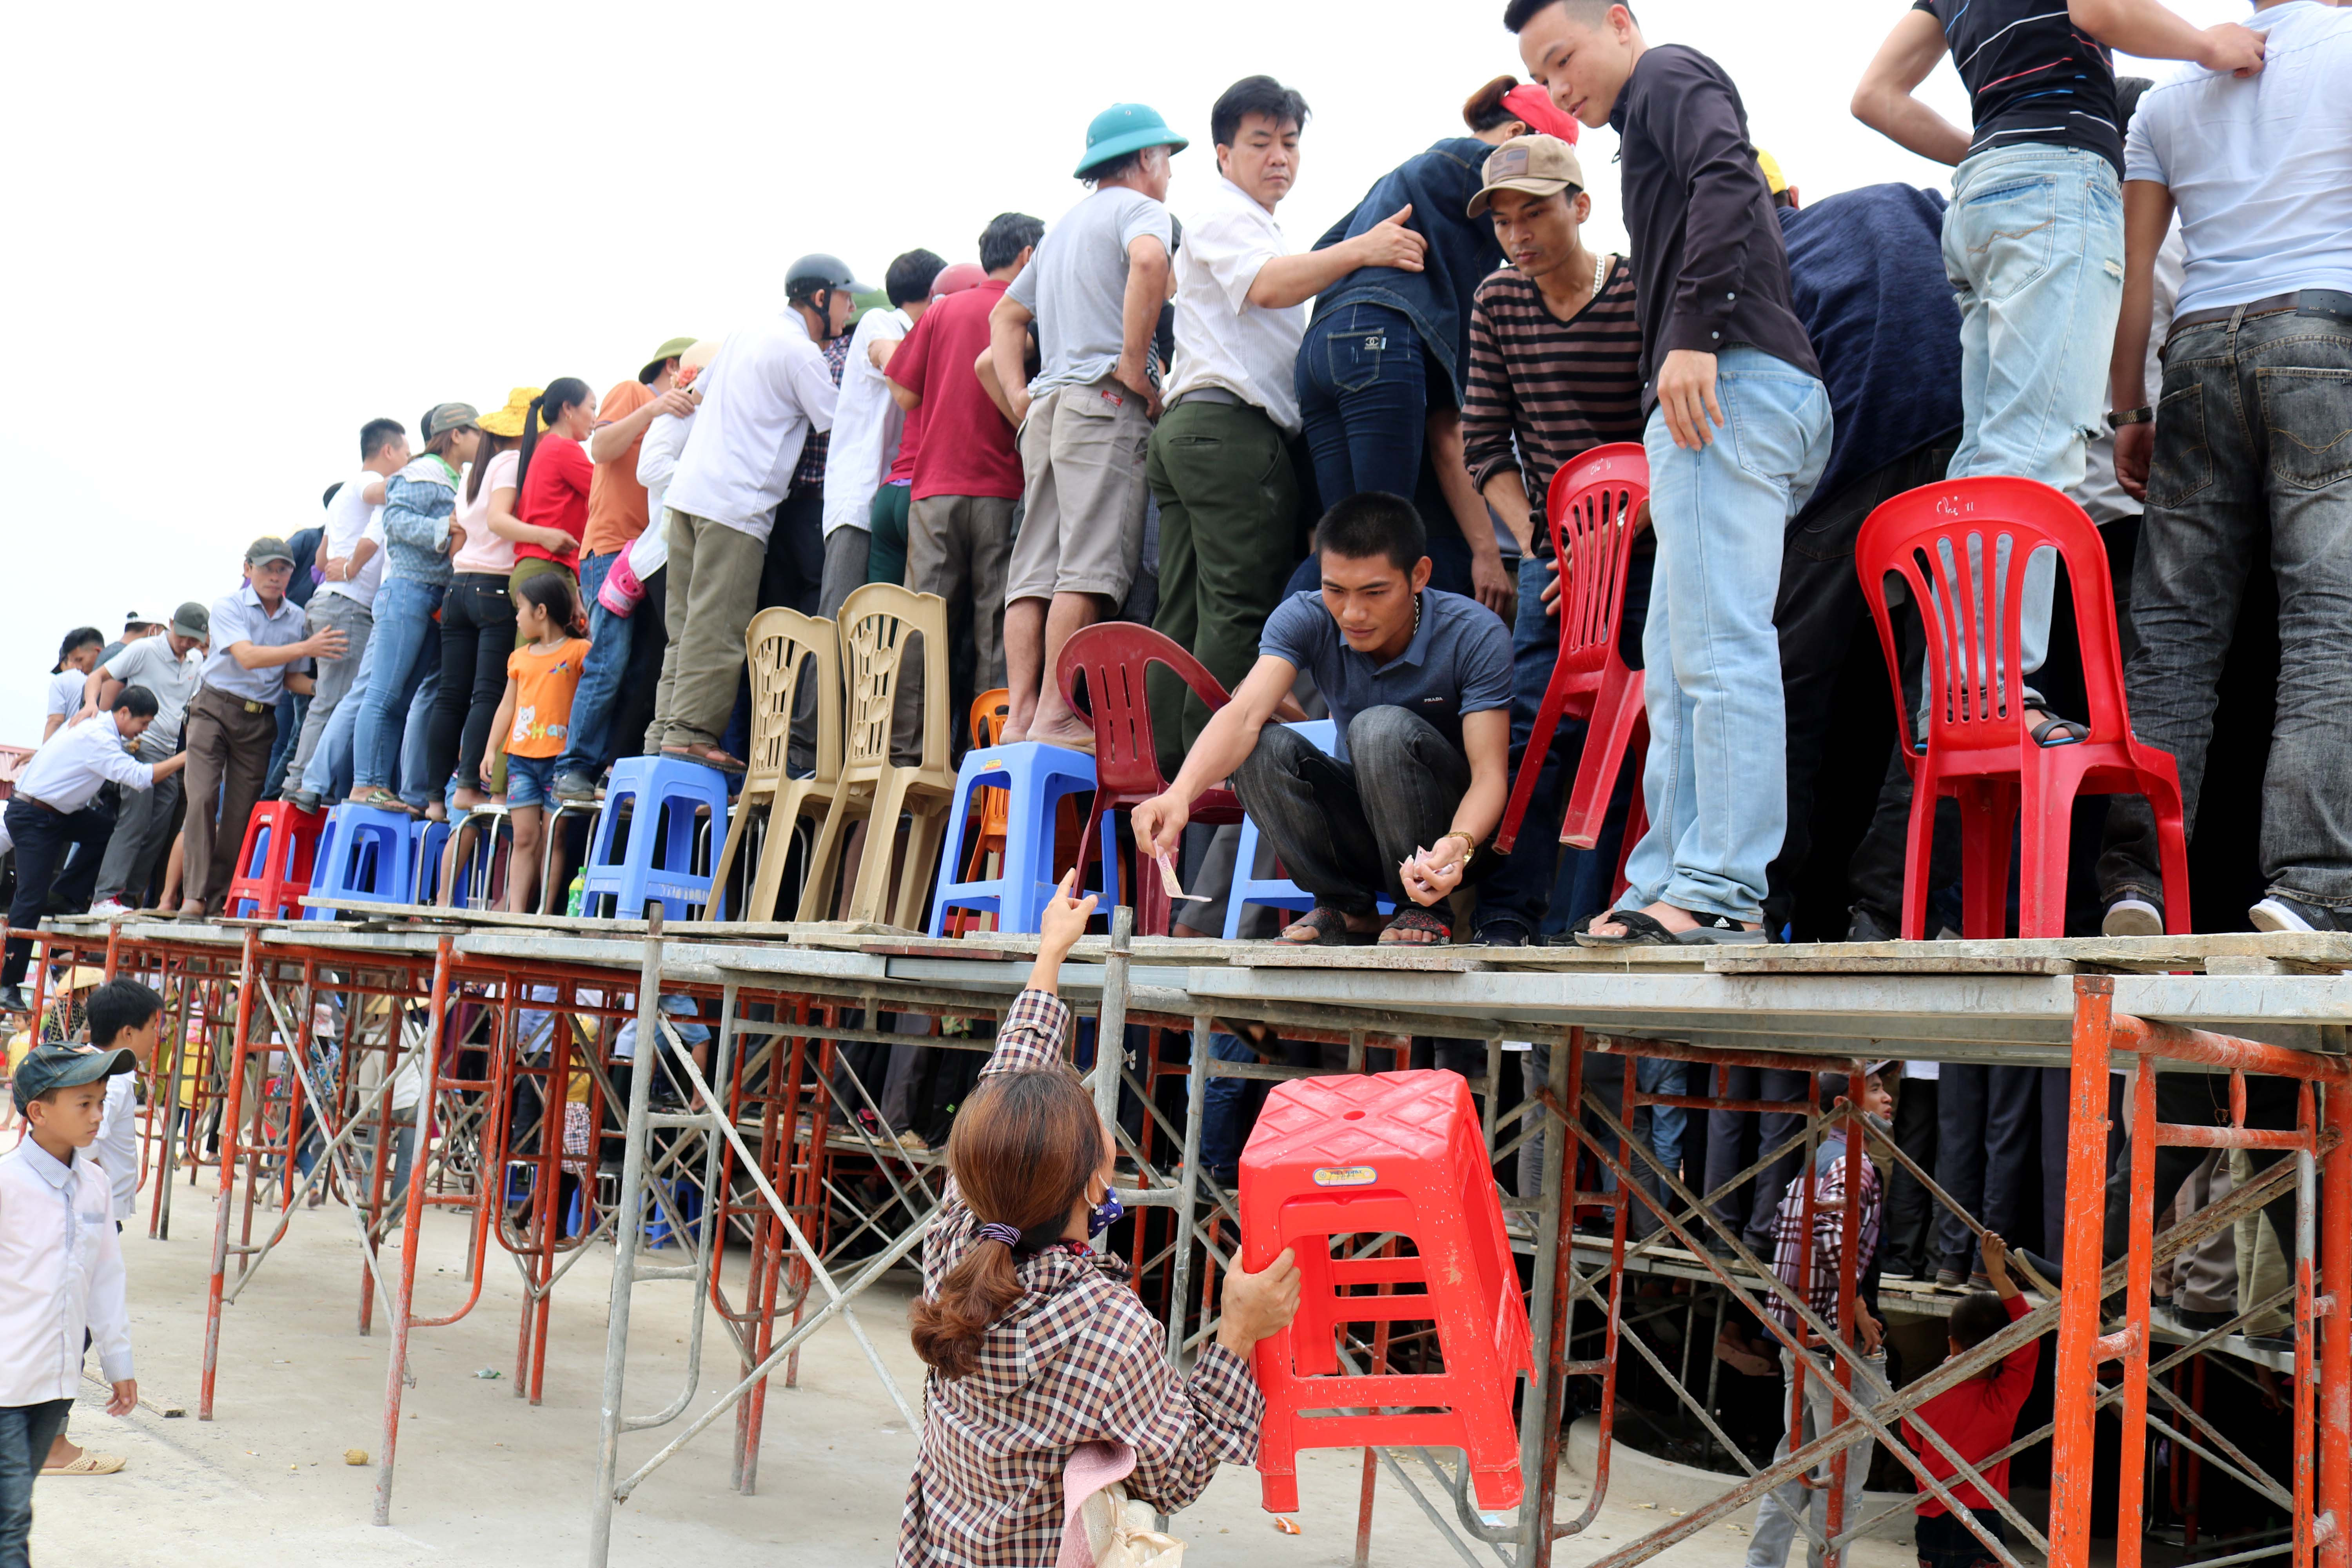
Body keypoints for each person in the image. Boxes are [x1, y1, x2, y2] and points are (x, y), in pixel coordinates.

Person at [1509, 0, 1831, 948]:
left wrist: (1691, 337)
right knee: (1674, 663)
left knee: (1718, 646)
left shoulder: (1666, 73)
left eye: (1564, 60)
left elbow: (1731, 176)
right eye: (1545, 79)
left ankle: (1721, 887)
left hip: (1729, 381)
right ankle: (1668, 877)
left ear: (1618, 21)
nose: (1561, 91)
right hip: (1716, 396)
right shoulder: (1643, 112)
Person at [1850, 0, 2266, 734]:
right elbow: (2101, 8)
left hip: (1981, 198)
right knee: (2035, 446)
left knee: (1985, 453)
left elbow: (1874, 97)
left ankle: (1954, 694)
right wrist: (2206, 45)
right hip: (2054, 181)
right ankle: (1991, 693)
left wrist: (1985, 151)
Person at [897, 871, 1301, 1564]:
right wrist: (1239, 1331)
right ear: (1096, 1179)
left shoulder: (956, 1239)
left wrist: (1051, 954)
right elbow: (1179, 1469)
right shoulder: (1109, 1332)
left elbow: (1009, 1083)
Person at [2098, 0, 2352, 936]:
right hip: (2324, 329)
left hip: (2199, 352)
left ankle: (2137, 884)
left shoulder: (2168, 96)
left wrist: (2129, 409)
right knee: (2328, 620)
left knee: (2171, 636)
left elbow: (2137, 280)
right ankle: (2309, 887)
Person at [1149, 76, 1427, 759]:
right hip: (1229, 435)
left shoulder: (1252, 220)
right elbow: (1269, 284)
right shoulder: (1223, 211)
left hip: (1193, 430)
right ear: (1222, 154)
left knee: (1181, 616)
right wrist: (1362, 250)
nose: (1279, 157)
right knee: (1238, 616)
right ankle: (1214, 786)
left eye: (1291, 143)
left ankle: (1157, 773)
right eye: (1260, 143)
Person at [1132, 492, 1513, 947]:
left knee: (1376, 729)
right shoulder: (1306, 616)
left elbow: (1490, 775)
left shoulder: (1474, 633)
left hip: (1459, 841)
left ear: (1419, 576)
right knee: (1261, 748)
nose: (1353, 613)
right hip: (1370, 834)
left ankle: (1421, 910)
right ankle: (1345, 906)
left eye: (1374, 592)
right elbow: (1245, 714)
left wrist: (1459, 843)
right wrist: (1179, 796)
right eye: (1336, 590)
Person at [1752, 164, 1965, 940]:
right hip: (1957, 451)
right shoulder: (1908, 202)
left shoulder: (1749, 267)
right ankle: (1890, 906)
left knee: (1785, 698)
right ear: (1794, 198)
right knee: (1942, 700)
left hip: (1844, 470)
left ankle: (1757, 898)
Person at [1456, 131, 1644, 946]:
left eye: (1533, 212)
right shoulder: (1497, 302)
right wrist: (1544, 546)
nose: (1518, 234)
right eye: (1502, 220)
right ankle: (1506, 912)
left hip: (1648, 537)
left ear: (1581, 206)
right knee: (1531, 722)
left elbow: (1670, 435)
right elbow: (1485, 445)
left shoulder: (1640, 292)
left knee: (1643, 724)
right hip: (1554, 551)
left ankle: (1614, 907)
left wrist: (1611, 543)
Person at [989, 104, 1185, 747]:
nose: (1168, 175)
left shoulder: (1063, 230)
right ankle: (1055, 713)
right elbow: (1152, 263)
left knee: (1034, 568)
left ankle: (1020, 716)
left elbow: (1005, 323)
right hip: (1101, 404)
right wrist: (1135, 368)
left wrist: (1020, 396)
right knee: (1088, 567)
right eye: (1166, 162)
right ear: (1146, 161)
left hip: (1047, 410)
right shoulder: (1140, 211)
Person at [1291, 91, 1527, 617]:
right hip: (1379, 340)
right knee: (1380, 538)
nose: (1519, 227)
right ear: (1515, 138)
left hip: (1321, 347)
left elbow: (1321, 253)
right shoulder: (1476, 163)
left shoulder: (1395, 184)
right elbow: (1451, 432)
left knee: (1346, 537)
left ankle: (1268, 678)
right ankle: (1284, 666)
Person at [651, 258, 849, 773]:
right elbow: (838, 423)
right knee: (717, 626)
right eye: (846, 299)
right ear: (821, 299)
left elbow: (695, 396)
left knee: (686, 627)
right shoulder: (801, 354)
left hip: (689, 495)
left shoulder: (744, 333)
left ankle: (663, 731)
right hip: (737, 506)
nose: (849, 311)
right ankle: (692, 735)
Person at [1745, 1065, 1893, 1568]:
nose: (1886, 1098)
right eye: (1873, 1090)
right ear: (1840, 1106)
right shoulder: (1854, 1164)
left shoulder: (1820, 1159)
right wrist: (1857, 1306)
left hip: (1801, 1331)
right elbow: (1833, 1238)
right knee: (1844, 1473)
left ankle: (1763, 1563)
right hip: (1834, 1340)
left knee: (1796, 1461)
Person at [0, 1045, 139, 1563]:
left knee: (12, 1508)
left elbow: (105, 1277)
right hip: (4, 1383)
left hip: (55, 1384)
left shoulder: (94, 1185)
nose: (99, 1115)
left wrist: (117, 1359)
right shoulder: (7, 1185)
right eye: (84, 1104)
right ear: (38, 1112)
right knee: (11, 1522)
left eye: (101, 1102)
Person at [893, 221, 1041, 697]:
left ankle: (909, 753)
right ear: (1027, 255)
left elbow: (903, 392)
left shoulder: (943, 312)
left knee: (923, 623)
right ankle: (988, 748)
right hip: (1003, 487)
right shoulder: (1026, 314)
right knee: (997, 626)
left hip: (936, 487)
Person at [550, 343, 697, 800]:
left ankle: (609, 769)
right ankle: (574, 768)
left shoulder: (684, 419)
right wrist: (655, 407)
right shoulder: (633, 392)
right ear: (674, 368)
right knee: (608, 663)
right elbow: (602, 446)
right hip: (611, 552)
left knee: (642, 669)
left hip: (648, 557)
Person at [181, 540, 346, 916]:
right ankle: (193, 895)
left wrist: (332, 691)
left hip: (259, 721)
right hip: (213, 710)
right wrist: (307, 647)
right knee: (204, 797)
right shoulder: (228, 607)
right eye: (267, 568)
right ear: (247, 569)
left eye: (283, 569)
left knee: (241, 812)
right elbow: (249, 657)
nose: (275, 576)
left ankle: (219, 900)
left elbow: (291, 679)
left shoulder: (297, 617)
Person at [41, 978, 163, 1480]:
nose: (161, 1034)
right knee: (75, 1325)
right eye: (156, 1026)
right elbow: (79, 1144)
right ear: (130, 1032)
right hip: (90, 1213)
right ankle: (50, 1441)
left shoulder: (86, 1065)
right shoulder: (112, 1082)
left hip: (84, 1209)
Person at [0, 691, 187, 1010]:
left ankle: (67, 896)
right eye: (142, 724)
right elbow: (139, 778)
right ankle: (8, 984)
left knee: (106, 832)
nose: (142, 731)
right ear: (124, 712)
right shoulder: (98, 737)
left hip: (57, 814)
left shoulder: (95, 725)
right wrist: (187, 757)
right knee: (30, 898)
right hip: (35, 818)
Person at [351, 404, 480, 815]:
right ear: (455, 435)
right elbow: (396, 522)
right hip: (408, 589)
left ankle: (379, 786)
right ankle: (364, 784)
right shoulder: (420, 471)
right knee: (385, 694)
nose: (483, 439)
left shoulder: (450, 477)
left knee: (401, 699)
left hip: (428, 596)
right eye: (475, 431)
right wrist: (445, 529)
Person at [282, 417, 407, 801]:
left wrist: (341, 565)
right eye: (406, 453)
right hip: (349, 606)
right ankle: (301, 786)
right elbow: (380, 491)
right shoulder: (363, 483)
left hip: (330, 600)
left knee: (332, 700)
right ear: (388, 451)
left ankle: (303, 783)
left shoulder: (338, 498)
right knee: (336, 701)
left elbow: (322, 556)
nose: (409, 460)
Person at [428, 387, 534, 813]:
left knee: (450, 694)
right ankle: (469, 784)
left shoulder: (478, 471)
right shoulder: (511, 464)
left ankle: (436, 796)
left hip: (459, 586)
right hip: (494, 588)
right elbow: (503, 523)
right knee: (487, 692)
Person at [824, 250, 945, 619]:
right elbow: (900, 371)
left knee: (879, 624)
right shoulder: (882, 321)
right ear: (932, 291)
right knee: (842, 618)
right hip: (857, 498)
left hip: (889, 490)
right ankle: (821, 682)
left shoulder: (913, 331)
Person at [1904, 1235, 2036, 1568]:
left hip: (1931, 1520)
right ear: (2003, 1352)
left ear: (1952, 1345)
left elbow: (1913, 1442)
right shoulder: (2002, 1399)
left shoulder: (1922, 1394)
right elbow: (2027, 1335)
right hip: (1983, 1522)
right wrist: (1999, 1276)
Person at [85, 605, 208, 915]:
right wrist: (91, 707)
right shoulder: (144, 650)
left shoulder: (197, 660)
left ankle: (127, 900)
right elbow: (99, 676)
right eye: (182, 637)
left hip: (171, 754)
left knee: (157, 831)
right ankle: (104, 897)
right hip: (140, 747)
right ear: (170, 625)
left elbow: (189, 714)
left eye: (194, 640)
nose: (186, 644)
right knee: (135, 821)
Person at [485, 575, 589, 916]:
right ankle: (516, 914)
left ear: (541, 611)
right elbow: (507, 707)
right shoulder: (519, 658)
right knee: (525, 837)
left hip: (560, 762)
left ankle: (544, 912)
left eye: (521, 609)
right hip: (521, 760)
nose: (517, 617)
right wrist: (490, 750)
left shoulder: (579, 652)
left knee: (555, 837)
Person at [510, 378, 597, 608]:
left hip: (535, 566)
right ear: (568, 408)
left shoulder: (546, 447)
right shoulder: (564, 448)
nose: (595, 419)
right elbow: (606, 490)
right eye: (592, 408)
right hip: (548, 567)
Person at [40, 630, 103, 742]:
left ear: (68, 661)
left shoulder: (61, 680)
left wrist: (43, 755)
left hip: (72, 745)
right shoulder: (106, 676)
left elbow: (55, 721)